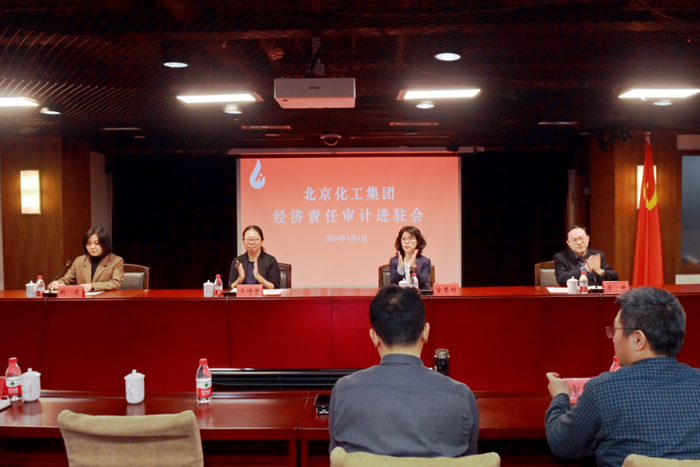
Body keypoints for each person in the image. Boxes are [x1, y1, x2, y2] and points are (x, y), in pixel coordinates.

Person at [545, 287, 700, 467]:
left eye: (615, 330)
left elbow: (562, 444)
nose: (613, 338)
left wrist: (560, 397)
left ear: (638, 340)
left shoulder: (603, 389)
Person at [328, 286, 479, 457]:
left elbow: (337, 458)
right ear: (426, 332)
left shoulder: (344, 392)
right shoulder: (461, 398)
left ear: (374, 337)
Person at [50, 227, 124, 292]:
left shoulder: (116, 260)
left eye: (96, 243)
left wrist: (91, 286)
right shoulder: (79, 260)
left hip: (104, 299)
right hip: (82, 300)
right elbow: (66, 280)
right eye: (89, 243)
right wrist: (57, 283)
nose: (92, 247)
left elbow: (116, 283)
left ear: (106, 244)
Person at [554, 225, 619, 286]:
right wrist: (585, 268)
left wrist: (600, 271)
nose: (579, 243)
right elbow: (561, 279)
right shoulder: (560, 257)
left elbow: (615, 277)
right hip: (574, 292)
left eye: (581, 238)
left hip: (595, 292)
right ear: (568, 243)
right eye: (574, 240)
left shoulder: (597, 255)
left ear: (588, 239)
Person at [228, 225, 280, 289]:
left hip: (263, 295)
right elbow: (231, 287)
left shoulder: (270, 261)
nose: (251, 243)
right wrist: (240, 278)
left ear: (262, 241)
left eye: (255, 239)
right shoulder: (238, 261)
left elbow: (274, 287)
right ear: (243, 241)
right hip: (243, 295)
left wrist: (258, 277)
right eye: (248, 239)